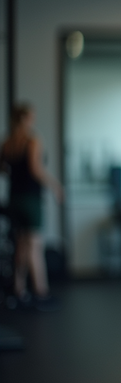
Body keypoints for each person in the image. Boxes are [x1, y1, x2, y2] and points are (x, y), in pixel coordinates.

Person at [1, 103, 63, 311]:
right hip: (30, 199)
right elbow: (36, 170)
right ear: (25, 119)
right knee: (35, 246)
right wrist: (55, 186)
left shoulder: (8, 142)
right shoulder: (32, 140)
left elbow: (3, 169)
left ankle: (19, 290)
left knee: (21, 244)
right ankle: (40, 292)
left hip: (14, 199)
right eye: (31, 117)